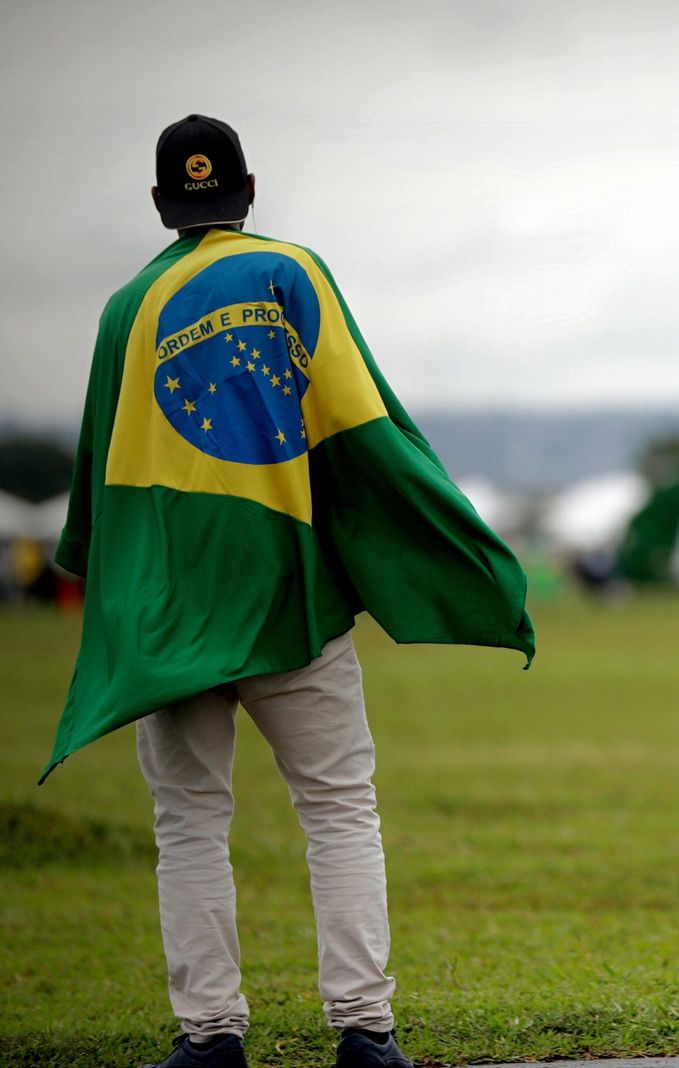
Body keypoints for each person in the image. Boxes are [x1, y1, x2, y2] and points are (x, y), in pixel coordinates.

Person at [48, 115, 537, 1068]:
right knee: (339, 806)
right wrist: (449, 542)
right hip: (288, 593)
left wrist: (111, 596)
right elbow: (362, 425)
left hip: (170, 608)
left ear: (160, 204)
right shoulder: (291, 272)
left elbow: (96, 479)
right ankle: (363, 1030)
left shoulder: (123, 309)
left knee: (189, 824)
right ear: (248, 190)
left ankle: (209, 1038)